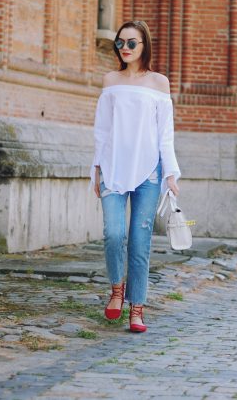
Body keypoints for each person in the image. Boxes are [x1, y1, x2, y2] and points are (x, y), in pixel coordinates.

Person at [91, 20, 181, 333]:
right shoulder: (110, 80)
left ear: (144, 46)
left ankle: (137, 309)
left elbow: (164, 135)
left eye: (132, 43)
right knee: (114, 234)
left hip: (148, 172)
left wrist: (171, 172)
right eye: (120, 43)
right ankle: (117, 290)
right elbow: (101, 131)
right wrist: (96, 169)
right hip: (113, 168)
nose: (125, 49)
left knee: (140, 242)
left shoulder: (159, 83)